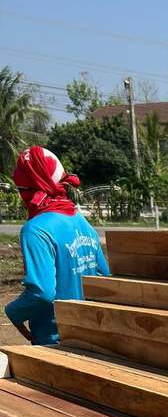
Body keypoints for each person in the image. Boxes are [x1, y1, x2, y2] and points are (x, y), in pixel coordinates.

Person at [5, 146, 110, 345]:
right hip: (90, 337)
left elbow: (42, 293)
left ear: (30, 187)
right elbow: (105, 278)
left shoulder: (36, 230)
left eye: (21, 188)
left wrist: (13, 312)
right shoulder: (82, 222)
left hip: (54, 342)